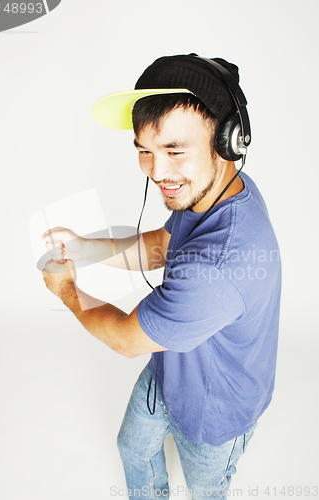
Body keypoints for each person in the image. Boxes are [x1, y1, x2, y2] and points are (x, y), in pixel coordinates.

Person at [42, 54, 281, 500]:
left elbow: (125, 340)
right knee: (132, 449)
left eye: (174, 150)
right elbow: (160, 244)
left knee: (205, 491)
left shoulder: (218, 266)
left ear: (227, 142)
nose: (156, 172)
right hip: (168, 371)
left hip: (216, 414)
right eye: (144, 151)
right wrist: (83, 247)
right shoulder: (216, 192)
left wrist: (69, 292)